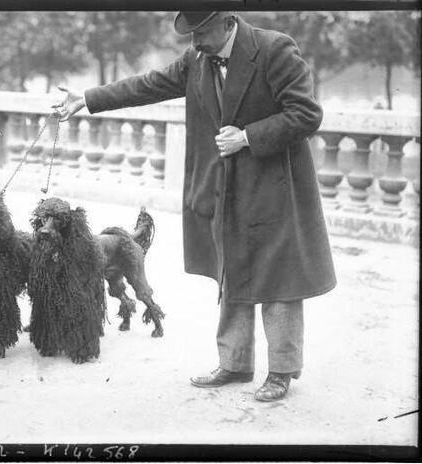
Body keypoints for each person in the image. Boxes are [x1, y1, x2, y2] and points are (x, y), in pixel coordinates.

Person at [52, 11, 336, 402]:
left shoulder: (275, 49)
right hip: (227, 188)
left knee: (278, 280)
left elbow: (306, 114)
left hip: (276, 187)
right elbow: (149, 84)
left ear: (228, 22)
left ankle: (281, 372)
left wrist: (247, 136)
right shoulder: (199, 58)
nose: (194, 41)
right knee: (231, 271)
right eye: (191, 34)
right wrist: (87, 99)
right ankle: (235, 363)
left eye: (201, 31)